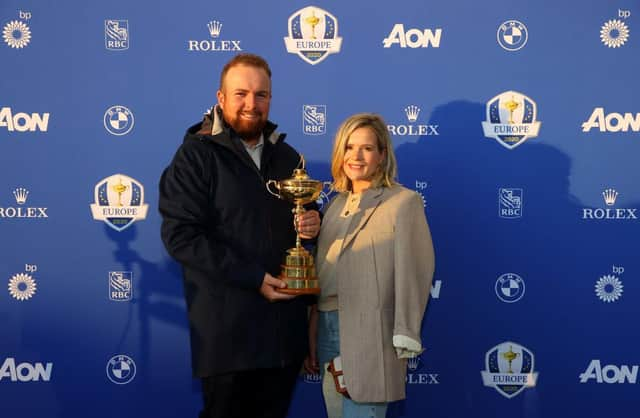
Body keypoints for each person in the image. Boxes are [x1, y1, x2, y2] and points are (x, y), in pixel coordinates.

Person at [159, 53, 321, 418]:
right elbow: (180, 235)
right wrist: (255, 278)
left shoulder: (288, 156)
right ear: (221, 98)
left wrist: (313, 221)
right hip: (228, 337)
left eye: (261, 95)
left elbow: (301, 216)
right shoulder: (195, 156)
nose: (251, 103)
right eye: (241, 94)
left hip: (284, 336)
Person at [305, 113, 435, 418]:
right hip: (326, 330)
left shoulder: (403, 202)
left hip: (370, 335)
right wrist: (309, 333)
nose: (356, 156)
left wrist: (406, 331)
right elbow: (323, 275)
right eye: (349, 147)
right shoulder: (334, 205)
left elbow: (416, 271)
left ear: (382, 155)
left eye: (366, 148)